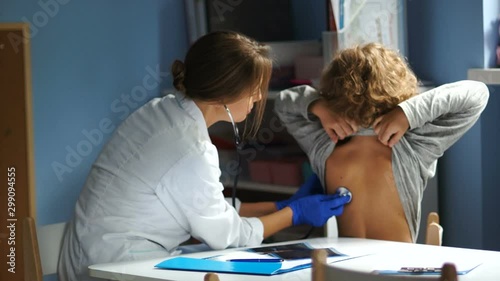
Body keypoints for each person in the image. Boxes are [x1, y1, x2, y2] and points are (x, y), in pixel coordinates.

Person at [58, 31, 351, 281]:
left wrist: (278, 204)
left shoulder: (160, 110)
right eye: (254, 90)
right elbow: (229, 235)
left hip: (93, 251)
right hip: (112, 266)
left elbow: (205, 205)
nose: (259, 98)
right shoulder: (190, 149)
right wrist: (294, 214)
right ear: (225, 92)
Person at [274, 43, 489, 243]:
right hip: (395, 272)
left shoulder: (323, 140)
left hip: (348, 270)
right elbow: (477, 93)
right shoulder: (415, 143)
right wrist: (408, 113)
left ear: (331, 91)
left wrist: (318, 106)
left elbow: (284, 102)